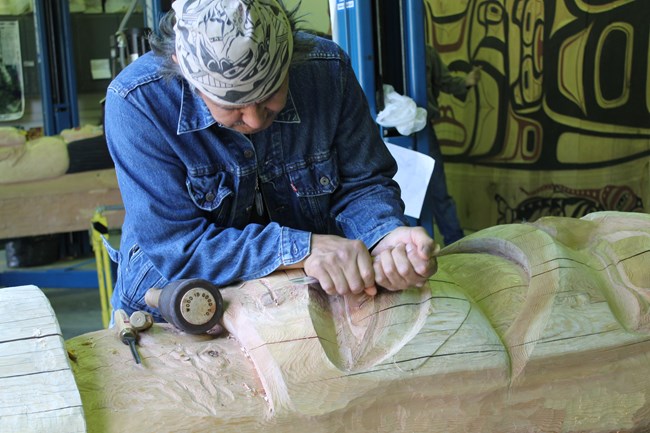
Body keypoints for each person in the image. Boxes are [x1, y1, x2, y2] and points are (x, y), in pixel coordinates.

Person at [103, 0, 438, 320]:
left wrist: (385, 236)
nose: (253, 121)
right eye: (232, 107)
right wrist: (303, 249)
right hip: (180, 307)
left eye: (268, 98)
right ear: (185, 73)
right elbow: (178, 247)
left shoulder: (326, 72)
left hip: (300, 303)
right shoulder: (138, 102)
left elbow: (362, 184)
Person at [425, 45, 481, 245]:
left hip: (422, 128)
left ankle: (456, 243)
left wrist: (465, 83)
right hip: (379, 128)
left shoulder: (425, 52)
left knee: (438, 189)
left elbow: (444, 81)